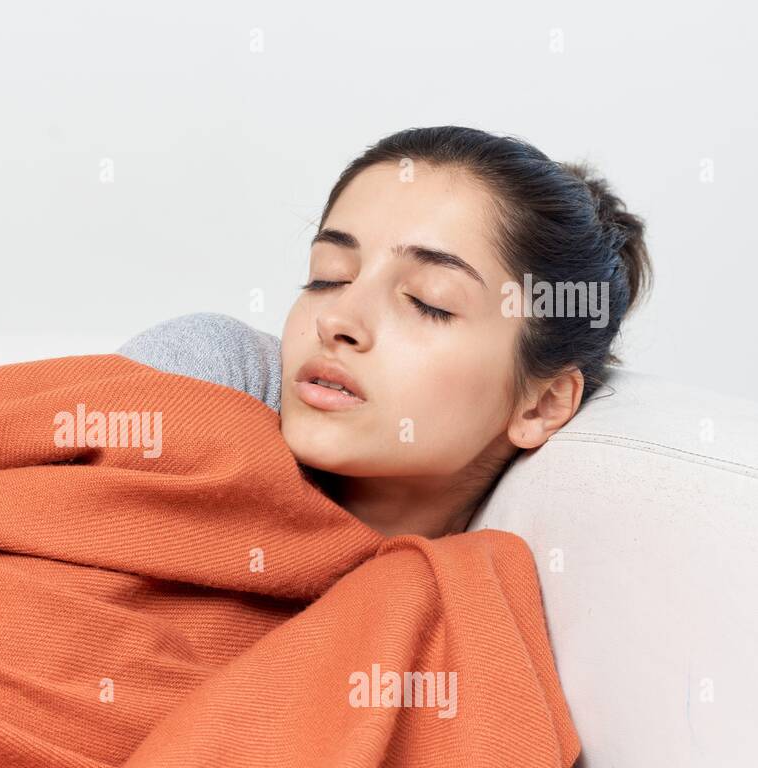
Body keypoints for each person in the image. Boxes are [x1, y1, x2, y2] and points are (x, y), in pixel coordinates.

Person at [118, 126, 652, 539]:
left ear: (540, 404)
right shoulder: (209, 372)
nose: (337, 321)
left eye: (427, 301)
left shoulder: (473, 600)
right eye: (328, 277)